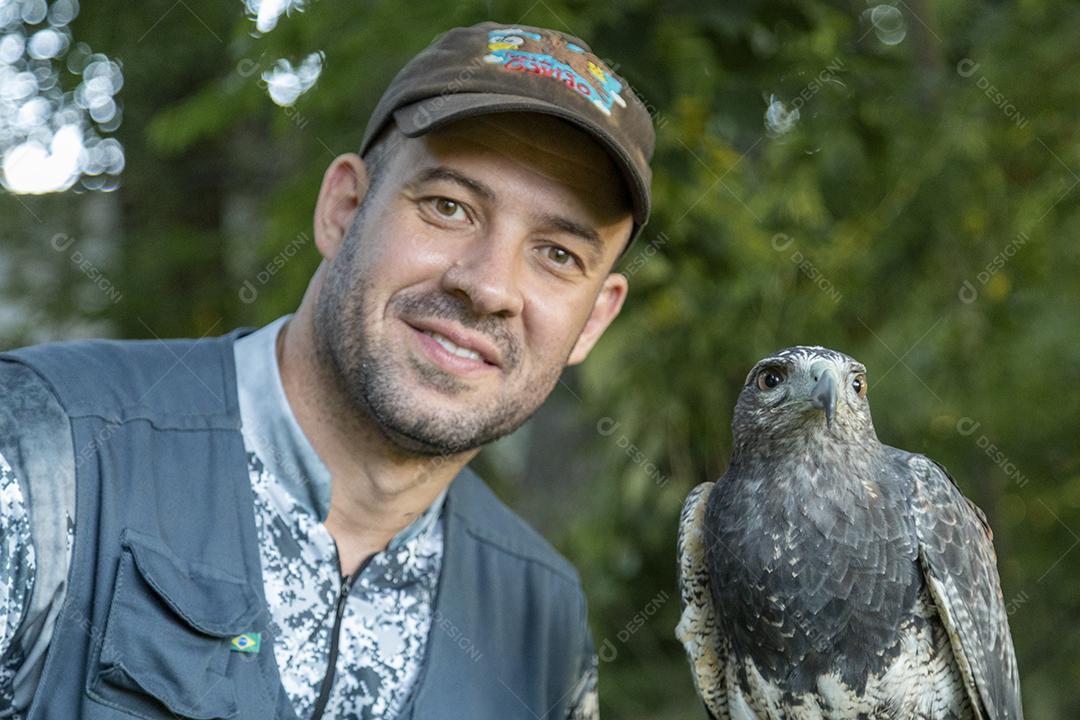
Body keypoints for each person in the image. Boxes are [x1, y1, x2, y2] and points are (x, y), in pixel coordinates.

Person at [0, 20, 654, 720]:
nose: (489, 286)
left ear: (592, 320)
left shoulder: (545, 624)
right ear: (344, 208)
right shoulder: (47, 454)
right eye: (449, 207)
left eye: (558, 254)